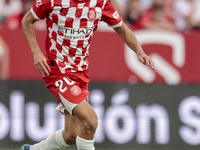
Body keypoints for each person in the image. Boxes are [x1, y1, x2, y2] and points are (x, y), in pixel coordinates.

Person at [21, 0, 155, 150]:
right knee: (90, 121)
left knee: (72, 135)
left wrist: (140, 52)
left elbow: (123, 30)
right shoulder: (53, 1)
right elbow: (27, 20)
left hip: (80, 74)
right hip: (57, 71)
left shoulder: (101, 3)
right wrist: (36, 52)